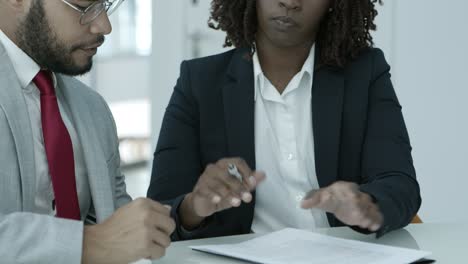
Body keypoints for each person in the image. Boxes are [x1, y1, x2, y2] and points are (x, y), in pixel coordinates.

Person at [148, 0, 421, 241]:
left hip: (344, 254)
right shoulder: (199, 82)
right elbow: (160, 209)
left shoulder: (365, 72)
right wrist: (194, 206)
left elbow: (401, 185)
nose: (290, 2)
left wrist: (366, 205)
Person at [0, 0, 174, 263]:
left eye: (105, 5)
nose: (104, 25)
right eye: (84, 7)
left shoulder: (93, 109)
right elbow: (104, 242)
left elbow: (117, 228)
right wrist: (88, 245)